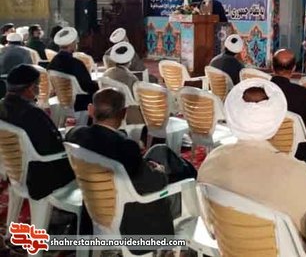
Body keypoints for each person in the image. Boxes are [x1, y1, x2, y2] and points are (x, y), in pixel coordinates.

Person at [198, 79, 306, 249]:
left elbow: (210, 223)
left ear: (231, 116)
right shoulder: (294, 173)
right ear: (278, 120)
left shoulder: (211, 161)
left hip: (228, 248)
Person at [66, 88, 196, 244]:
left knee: (159, 150)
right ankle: (194, 183)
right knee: (180, 174)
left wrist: (144, 165)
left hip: (94, 206)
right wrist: (159, 171)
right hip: (128, 218)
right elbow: (151, 184)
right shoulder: (124, 146)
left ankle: (190, 173)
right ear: (124, 113)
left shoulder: (75, 135)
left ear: (91, 110)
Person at [0, 64, 75, 199]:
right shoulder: (32, 114)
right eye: (38, 85)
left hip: (15, 170)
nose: (39, 88)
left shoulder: (2, 106)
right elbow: (54, 148)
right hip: (39, 178)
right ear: (30, 88)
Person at [47, 27, 99, 124]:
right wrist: (99, 85)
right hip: (80, 103)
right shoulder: (76, 64)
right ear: (72, 44)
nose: (77, 43)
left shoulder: (52, 63)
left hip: (63, 101)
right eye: (76, 42)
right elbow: (88, 86)